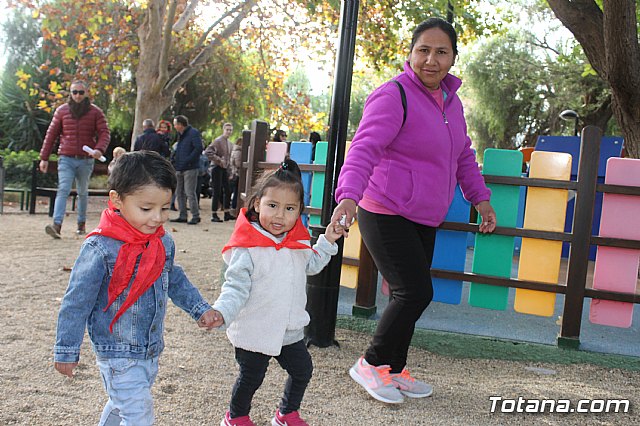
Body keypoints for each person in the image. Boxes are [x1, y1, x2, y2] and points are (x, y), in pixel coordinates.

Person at [331, 17, 497, 404]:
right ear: (410, 53)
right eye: (423, 50)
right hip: (384, 209)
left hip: (424, 215)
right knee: (414, 291)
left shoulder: (452, 104)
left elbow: (463, 156)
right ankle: (371, 363)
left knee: (408, 294)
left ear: (453, 57)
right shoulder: (393, 95)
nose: (431, 59)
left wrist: (480, 198)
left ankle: (394, 368)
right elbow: (364, 148)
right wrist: (348, 196)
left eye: (441, 52)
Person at [53, 151, 217, 425]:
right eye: (146, 208)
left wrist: (199, 309)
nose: (157, 218)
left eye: (165, 208)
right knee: (138, 415)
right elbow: (76, 301)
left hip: (150, 348)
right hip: (117, 352)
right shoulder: (101, 247)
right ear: (117, 199)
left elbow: (173, 278)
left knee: (121, 407)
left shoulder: (161, 242)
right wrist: (66, 350)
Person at [210, 159, 344, 426]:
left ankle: (286, 413)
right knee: (251, 377)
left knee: (302, 370)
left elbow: (314, 264)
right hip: (254, 329)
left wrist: (327, 240)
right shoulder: (247, 248)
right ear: (258, 203)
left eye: (289, 208)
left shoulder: (297, 242)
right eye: (273, 206)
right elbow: (234, 287)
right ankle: (235, 417)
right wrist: (221, 312)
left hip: (289, 330)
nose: (280, 215)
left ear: (299, 212)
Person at [40, 80, 110, 238]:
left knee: (82, 192)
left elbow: (105, 132)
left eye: (80, 92)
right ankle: (56, 225)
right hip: (66, 157)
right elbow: (51, 135)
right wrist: (44, 157)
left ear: (86, 93)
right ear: (70, 93)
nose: (77, 95)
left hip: (86, 159)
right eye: (74, 92)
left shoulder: (95, 112)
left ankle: (81, 223)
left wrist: (99, 149)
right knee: (63, 189)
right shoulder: (62, 111)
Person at [170, 115, 203, 225]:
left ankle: (195, 215)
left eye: (175, 124)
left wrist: (188, 160)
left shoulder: (193, 133)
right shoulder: (180, 135)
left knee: (189, 192)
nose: (174, 126)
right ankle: (183, 215)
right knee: (179, 192)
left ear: (180, 124)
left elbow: (198, 148)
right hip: (179, 167)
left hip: (190, 167)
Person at [205, 122, 235, 222]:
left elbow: (229, 159)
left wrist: (230, 171)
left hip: (224, 169)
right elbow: (208, 152)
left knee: (227, 190)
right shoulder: (218, 141)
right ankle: (214, 214)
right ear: (223, 130)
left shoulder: (230, 143)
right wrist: (219, 160)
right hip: (216, 168)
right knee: (217, 191)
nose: (229, 132)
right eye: (227, 130)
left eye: (230, 130)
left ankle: (227, 212)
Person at [228, 137, 243, 212]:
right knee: (236, 192)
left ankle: (233, 207)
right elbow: (238, 164)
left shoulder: (235, 150)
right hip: (237, 174)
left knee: (235, 191)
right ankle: (234, 207)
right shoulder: (238, 151)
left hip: (235, 173)